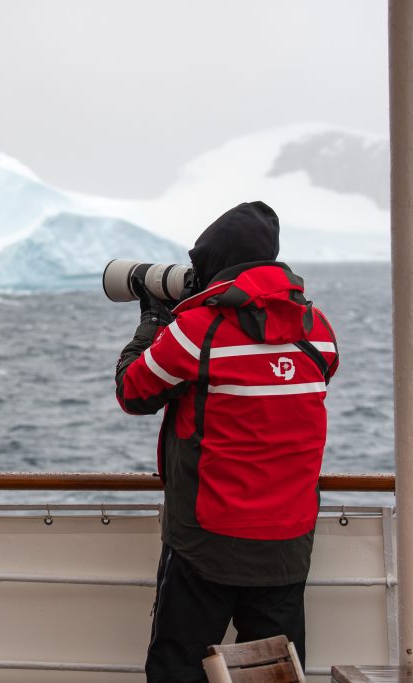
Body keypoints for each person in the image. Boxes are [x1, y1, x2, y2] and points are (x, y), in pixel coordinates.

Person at [114, 201, 339, 682]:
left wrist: (152, 324)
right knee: (274, 673)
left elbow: (133, 392)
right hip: (287, 541)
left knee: (179, 670)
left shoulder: (197, 332)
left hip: (206, 541)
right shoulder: (318, 330)